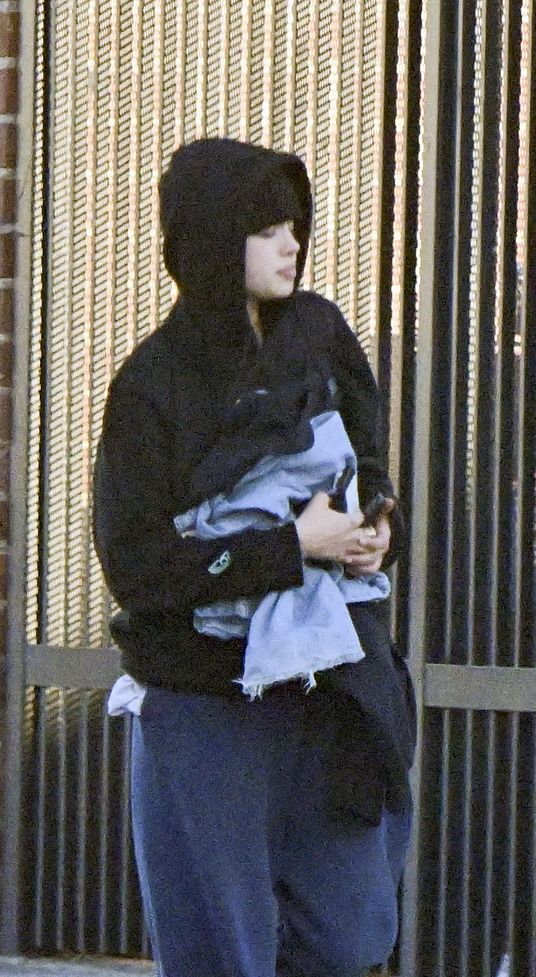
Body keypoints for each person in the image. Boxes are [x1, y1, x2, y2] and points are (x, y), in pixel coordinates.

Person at [92, 138, 414, 977]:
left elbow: (366, 456)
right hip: (204, 704)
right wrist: (289, 546)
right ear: (209, 240)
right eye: (266, 228)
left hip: (324, 689)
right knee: (216, 951)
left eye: (295, 224)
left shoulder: (318, 332)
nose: (291, 243)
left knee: (349, 931)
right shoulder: (151, 388)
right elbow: (137, 568)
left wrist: (375, 523)